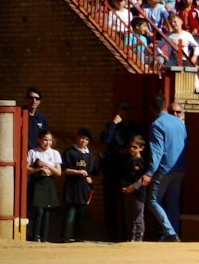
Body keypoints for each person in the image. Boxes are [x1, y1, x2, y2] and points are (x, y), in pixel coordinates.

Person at [146, 96, 188, 242]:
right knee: (173, 202)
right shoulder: (180, 123)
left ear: (152, 109)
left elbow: (156, 152)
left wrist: (149, 172)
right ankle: (174, 231)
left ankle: (170, 233)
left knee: (153, 200)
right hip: (181, 166)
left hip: (165, 168)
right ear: (165, 107)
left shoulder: (157, 124)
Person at [100, 103, 140, 243]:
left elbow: (138, 145)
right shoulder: (111, 126)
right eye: (123, 108)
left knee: (126, 205)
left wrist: (126, 150)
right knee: (110, 204)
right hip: (111, 170)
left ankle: (126, 235)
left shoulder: (134, 128)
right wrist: (114, 123)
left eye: (128, 108)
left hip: (126, 171)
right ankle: (110, 234)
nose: (126, 111)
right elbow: (105, 140)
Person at [61, 128, 97, 243]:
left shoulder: (90, 156)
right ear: (77, 138)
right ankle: (65, 237)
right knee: (69, 215)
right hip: (71, 188)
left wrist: (89, 178)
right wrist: (78, 172)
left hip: (83, 189)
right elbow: (64, 170)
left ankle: (79, 238)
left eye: (86, 139)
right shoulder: (70, 152)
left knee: (81, 216)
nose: (83, 141)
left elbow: (90, 171)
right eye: (82, 138)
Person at [26, 130, 62, 242]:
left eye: (50, 140)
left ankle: (44, 238)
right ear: (39, 140)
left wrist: (46, 165)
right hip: (37, 182)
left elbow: (59, 173)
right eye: (45, 140)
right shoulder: (33, 152)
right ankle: (35, 237)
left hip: (49, 182)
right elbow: (27, 169)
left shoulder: (55, 153)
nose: (48, 143)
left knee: (47, 211)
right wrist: (39, 169)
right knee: (38, 211)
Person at [119, 135, 151, 242]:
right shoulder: (126, 160)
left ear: (141, 148)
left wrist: (133, 187)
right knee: (129, 216)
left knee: (138, 216)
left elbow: (143, 179)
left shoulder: (143, 162)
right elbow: (123, 175)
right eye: (130, 147)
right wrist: (124, 187)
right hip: (127, 191)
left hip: (139, 193)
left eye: (135, 147)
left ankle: (138, 238)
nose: (131, 149)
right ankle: (130, 238)